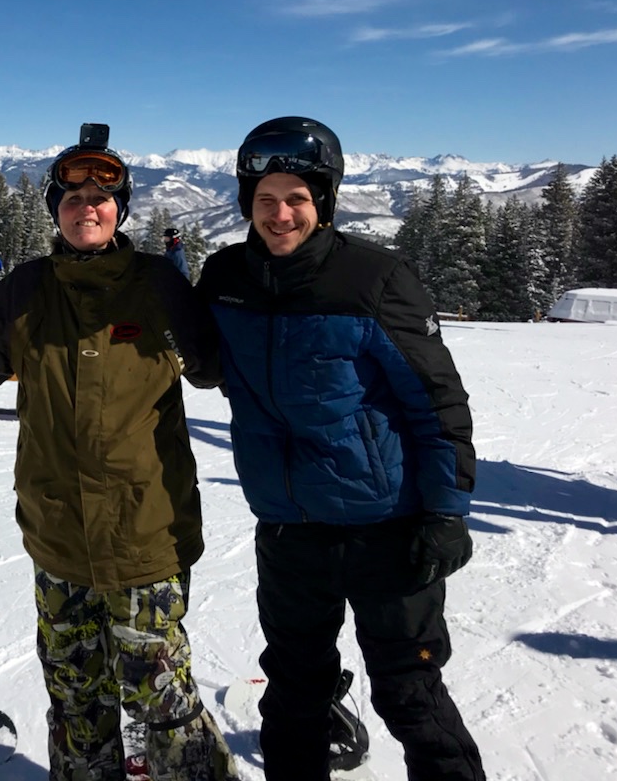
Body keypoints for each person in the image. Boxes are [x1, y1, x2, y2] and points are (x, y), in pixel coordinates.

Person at [196, 116, 484, 781]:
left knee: (410, 695)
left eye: (296, 199)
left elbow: (436, 400)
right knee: (295, 697)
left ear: (323, 202)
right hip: (291, 529)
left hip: (387, 528)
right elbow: (201, 359)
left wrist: (446, 509)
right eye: (265, 200)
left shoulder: (372, 280)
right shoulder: (226, 278)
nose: (280, 214)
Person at [0, 124, 238, 781]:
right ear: (55, 207)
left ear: (120, 208)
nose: (88, 207)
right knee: (77, 702)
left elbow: (220, 365)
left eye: (102, 197)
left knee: (162, 702)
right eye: (72, 197)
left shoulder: (160, 288)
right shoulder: (26, 292)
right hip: (59, 543)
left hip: (145, 538)